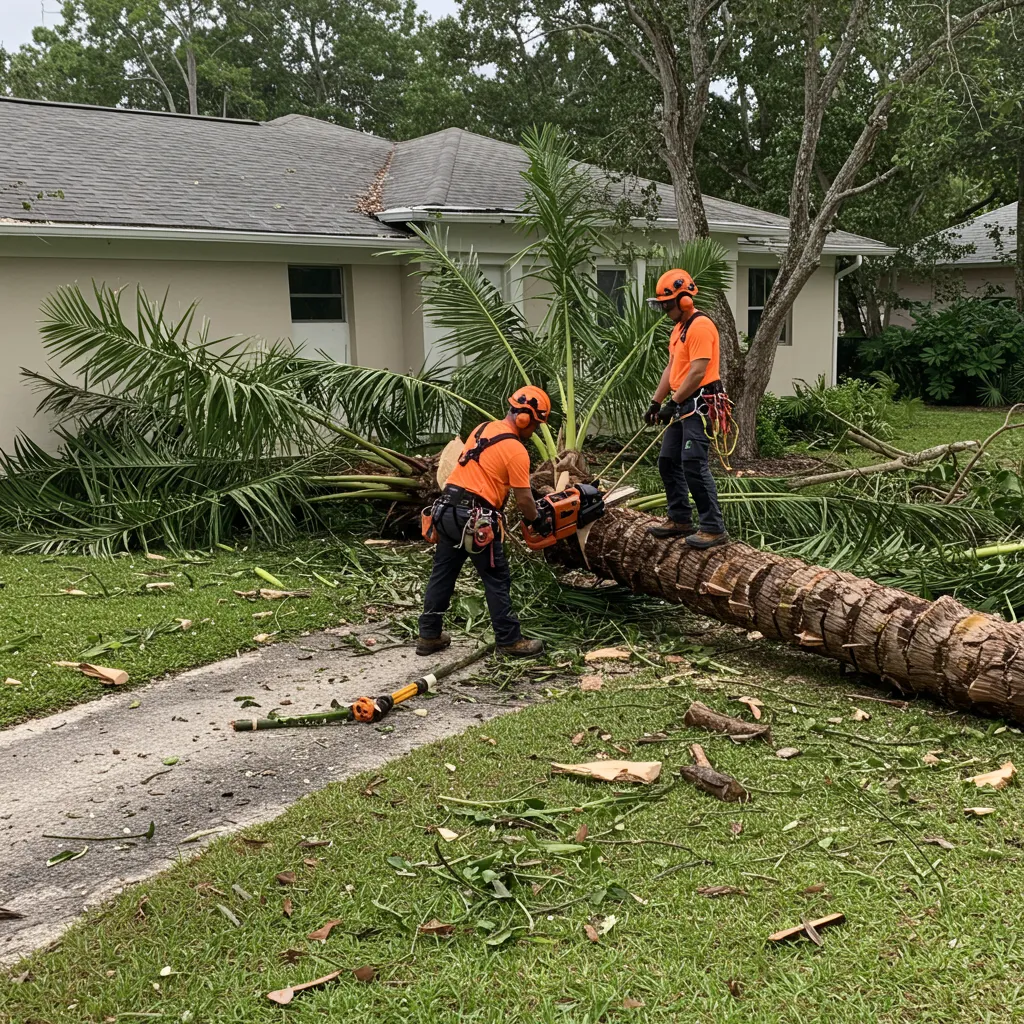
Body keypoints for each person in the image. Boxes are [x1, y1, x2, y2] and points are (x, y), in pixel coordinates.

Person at [417, 386, 552, 658]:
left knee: (442, 574)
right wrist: (537, 520)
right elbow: (524, 500)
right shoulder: (516, 450)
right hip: (475, 519)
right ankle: (509, 641)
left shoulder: (481, 429)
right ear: (524, 418)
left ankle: (429, 635)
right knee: (496, 578)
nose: (534, 430)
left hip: (446, 510)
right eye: (535, 424)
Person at [642, 268, 729, 549]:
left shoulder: (701, 326)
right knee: (668, 460)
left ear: (684, 300)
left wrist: (673, 402)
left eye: (668, 305)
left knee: (693, 463)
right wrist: (657, 402)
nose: (665, 311)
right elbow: (672, 369)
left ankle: (713, 527)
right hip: (682, 402)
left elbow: (698, 372)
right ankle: (679, 518)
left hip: (699, 403)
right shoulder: (679, 328)